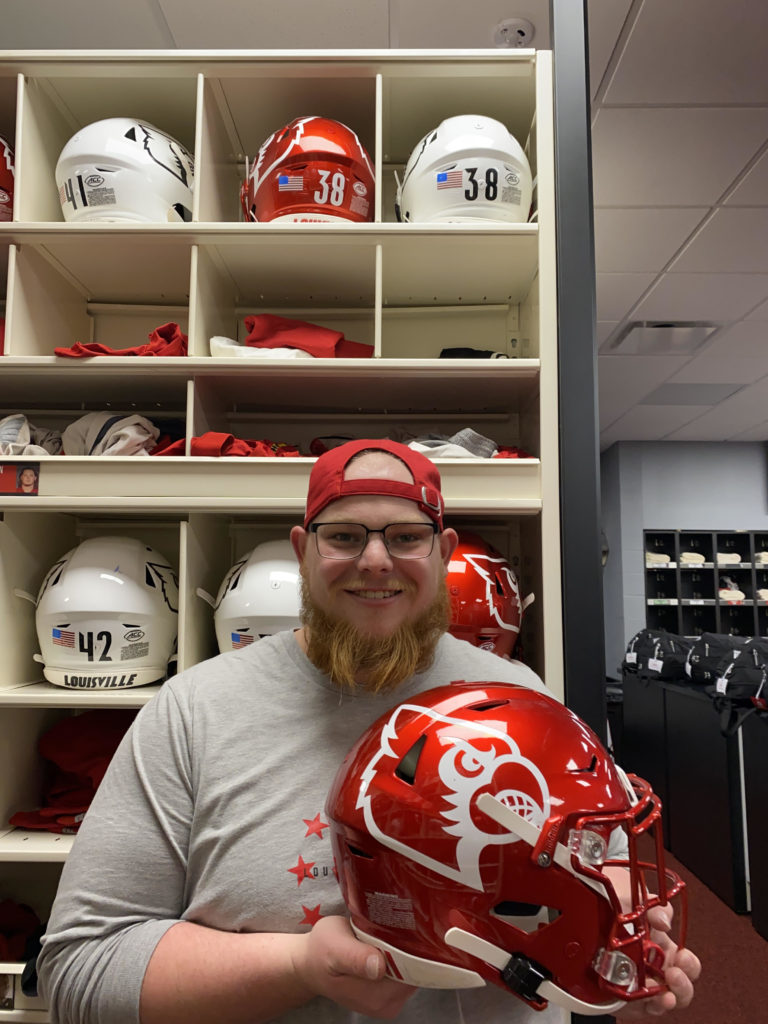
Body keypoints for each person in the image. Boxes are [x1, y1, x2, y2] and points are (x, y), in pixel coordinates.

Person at [36, 439, 699, 1024]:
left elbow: (609, 871)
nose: (376, 560)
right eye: (345, 536)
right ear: (304, 551)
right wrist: (295, 969)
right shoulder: (193, 713)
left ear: (442, 551)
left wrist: (627, 941)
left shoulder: (522, 699)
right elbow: (79, 973)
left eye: (406, 537)